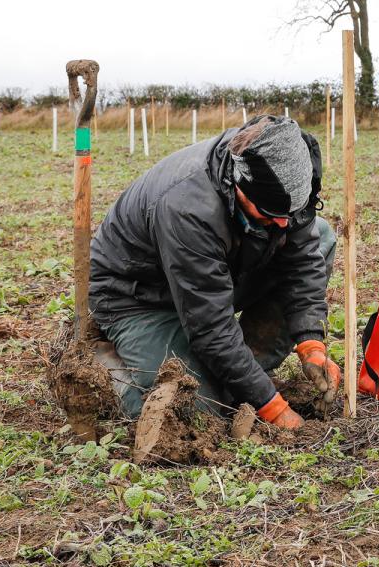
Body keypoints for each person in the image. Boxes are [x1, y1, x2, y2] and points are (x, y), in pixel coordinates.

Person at [87, 115, 341, 431]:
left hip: (217, 274)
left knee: (322, 237)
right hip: (140, 298)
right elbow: (210, 325)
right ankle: (106, 366)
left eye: (289, 214)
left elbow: (302, 260)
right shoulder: (186, 209)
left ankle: (240, 375)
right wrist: (273, 408)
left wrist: (311, 344)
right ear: (239, 184)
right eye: (271, 214)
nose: (282, 224)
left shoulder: (286, 171)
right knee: (196, 411)